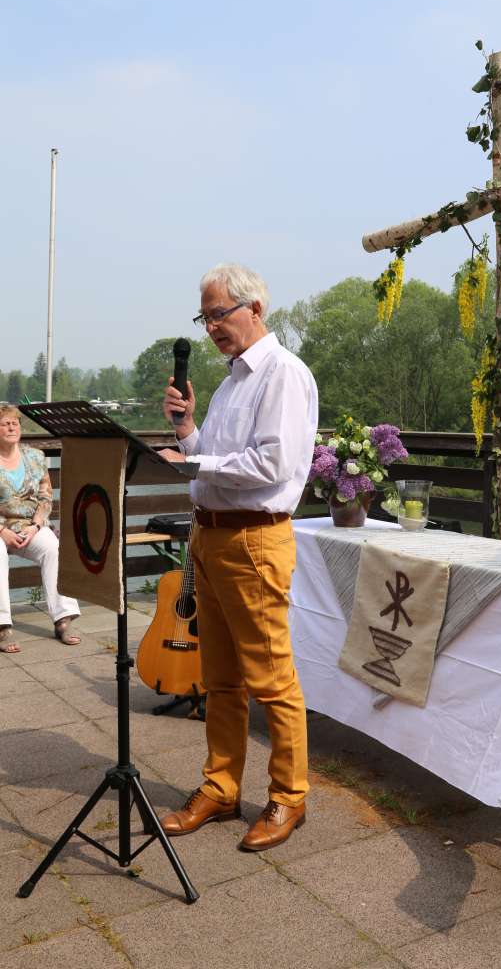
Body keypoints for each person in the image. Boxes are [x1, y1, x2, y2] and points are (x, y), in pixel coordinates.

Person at [157, 264, 318, 851]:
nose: (211, 328)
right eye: (204, 318)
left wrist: (195, 465)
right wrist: (187, 431)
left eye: (218, 314)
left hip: (254, 540)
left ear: (255, 309)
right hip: (213, 537)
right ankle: (221, 789)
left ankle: (288, 797)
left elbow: (271, 466)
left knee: (271, 679)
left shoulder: (283, 374)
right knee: (221, 681)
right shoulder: (230, 383)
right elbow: (213, 457)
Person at [0, 403, 81, 654]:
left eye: (15, 422)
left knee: (53, 548)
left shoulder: (35, 456)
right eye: (4, 423)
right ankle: (2, 626)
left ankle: (62, 618)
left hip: (30, 526)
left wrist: (36, 526)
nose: (11, 426)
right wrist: (2, 531)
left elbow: (46, 499)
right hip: (0, 529)